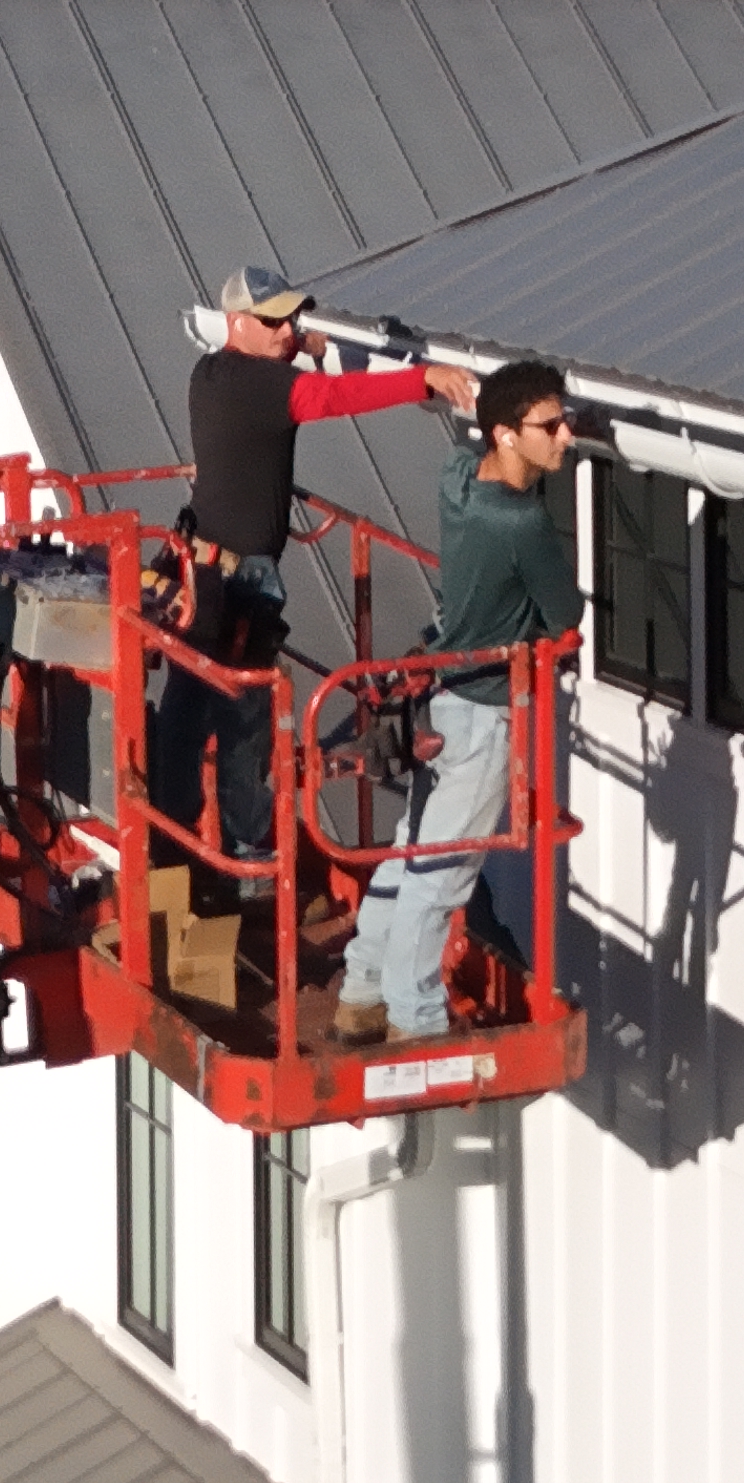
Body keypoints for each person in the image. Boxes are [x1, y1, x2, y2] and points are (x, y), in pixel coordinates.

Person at [157, 262, 428, 941]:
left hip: (200, 571)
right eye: (275, 321)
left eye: (293, 319)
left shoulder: (213, 375)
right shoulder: (263, 386)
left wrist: (297, 346)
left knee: (187, 721)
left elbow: (295, 379)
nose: (290, 330)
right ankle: (250, 875)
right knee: (250, 727)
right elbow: (331, 400)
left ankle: (172, 860)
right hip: (241, 581)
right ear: (240, 324)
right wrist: (424, 380)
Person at [342, 356, 588, 1043]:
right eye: (553, 424)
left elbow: (459, 456)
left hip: (444, 695)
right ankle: (412, 1015)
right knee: (442, 872)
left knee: (411, 847)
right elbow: (565, 615)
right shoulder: (522, 526)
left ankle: (361, 985)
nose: (567, 434)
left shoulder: (459, 484)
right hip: (484, 711)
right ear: (508, 435)